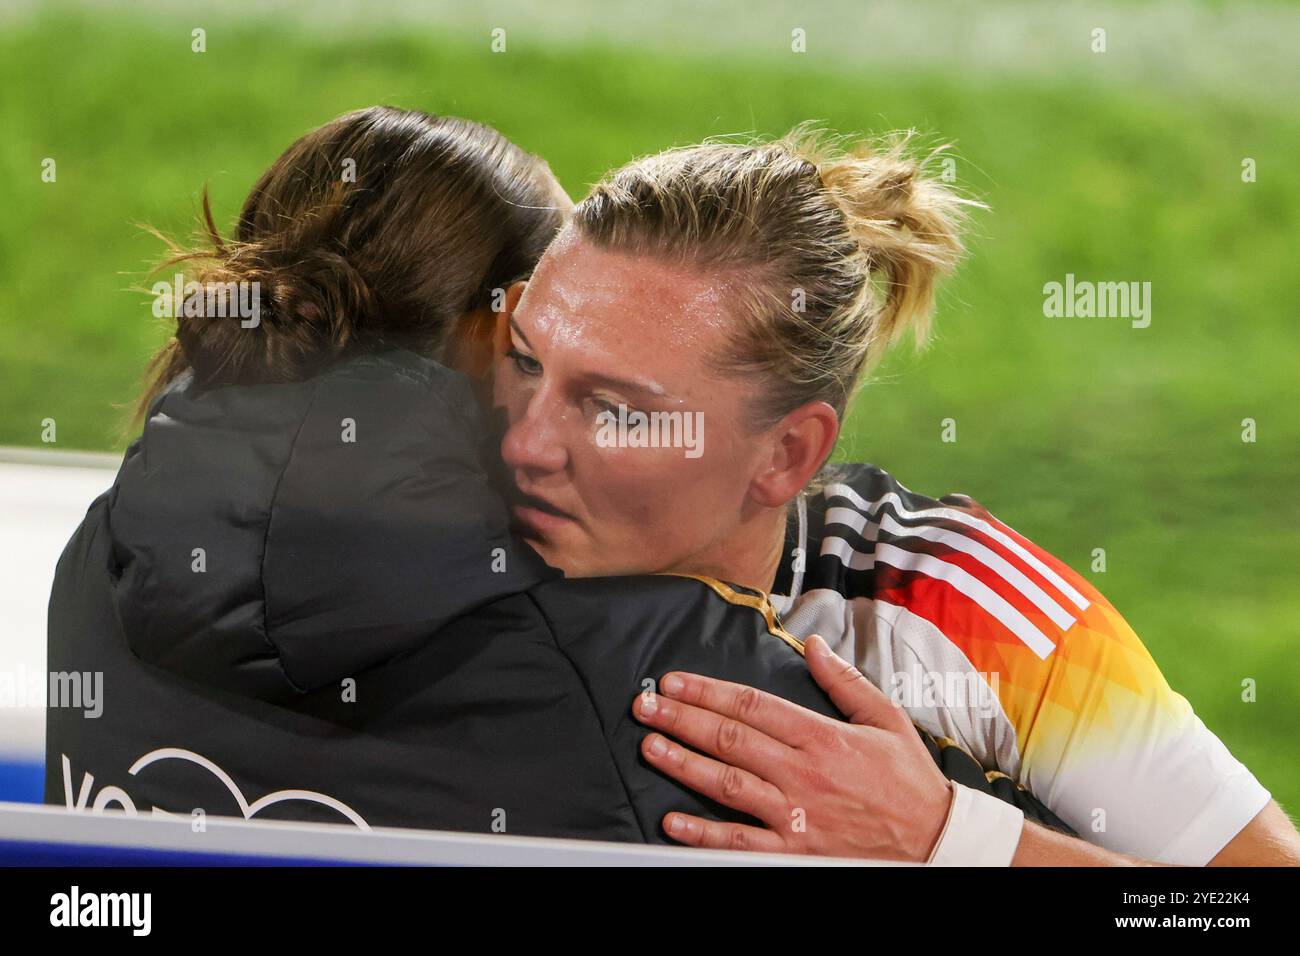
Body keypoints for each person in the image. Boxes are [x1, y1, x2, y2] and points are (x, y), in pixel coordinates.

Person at [46, 108, 1063, 854]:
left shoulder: (98, 565)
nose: (541, 434)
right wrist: (952, 833)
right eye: (533, 352)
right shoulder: (691, 693)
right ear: (489, 341)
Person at [492, 127, 1300, 864]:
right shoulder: (436, 508)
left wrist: (947, 839)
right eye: (525, 362)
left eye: (618, 412)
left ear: (784, 455)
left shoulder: (961, 605)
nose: (523, 443)